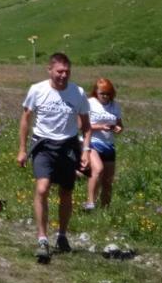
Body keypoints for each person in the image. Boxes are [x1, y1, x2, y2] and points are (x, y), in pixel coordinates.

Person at [17, 52, 91, 264]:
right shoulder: (37, 90)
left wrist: (85, 150)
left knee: (66, 193)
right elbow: (25, 119)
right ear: (50, 70)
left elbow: (86, 127)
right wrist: (22, 149)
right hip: (43, 144)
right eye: (59, 71)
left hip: (68, 146)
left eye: (67, 72)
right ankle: (42, 239)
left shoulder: (78, 93)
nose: (63, 76)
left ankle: (62, 235)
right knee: (42, 188)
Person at [84, 78, 123, 210]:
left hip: (109, 144)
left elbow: (120, 124)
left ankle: (105, 209)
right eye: (102, 93)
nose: (105, 96)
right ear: (96, 92)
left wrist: (118, 128)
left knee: (108, 180)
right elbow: (82, 125)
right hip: (93, 142)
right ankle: (90, 202)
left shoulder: (115, 106)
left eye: (108, 93)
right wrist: (100, 126)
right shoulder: (90, 103)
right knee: (98, 169)